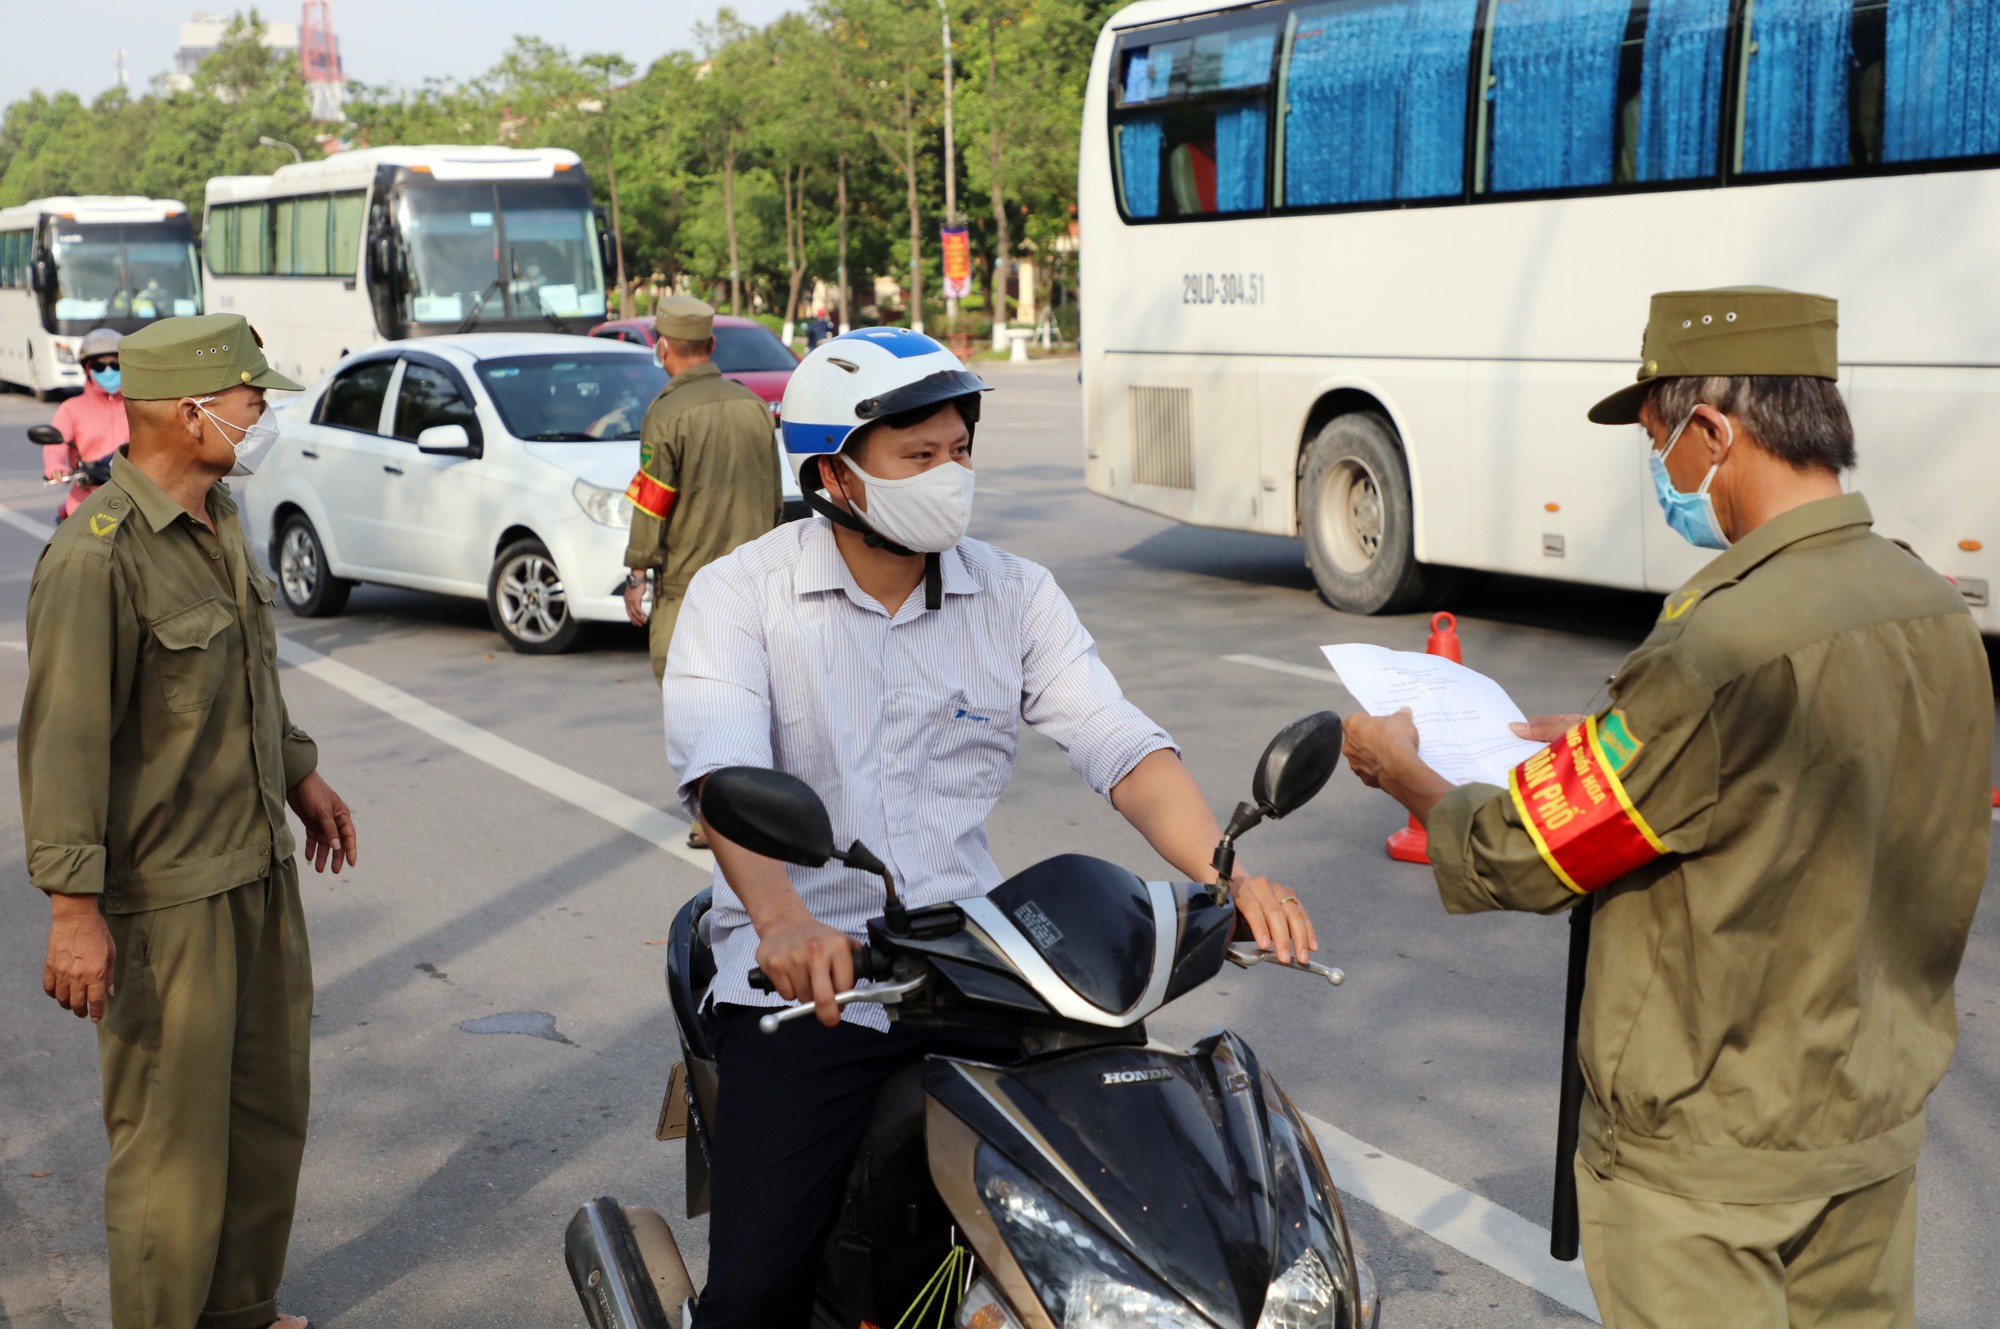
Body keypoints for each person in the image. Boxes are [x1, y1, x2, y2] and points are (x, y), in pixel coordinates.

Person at [1339, 287, 1991, 1329]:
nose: (1661, 475)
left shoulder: (1715, 647)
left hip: (1710, 1161)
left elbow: (1522, 854)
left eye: (1656, 445)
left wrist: (1401, 771)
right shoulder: (1927, 606)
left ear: (1710, 432)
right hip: (1867, 1126)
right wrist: (1601, 739)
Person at [663, 327, 1319, 1328]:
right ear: (833, 475)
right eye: (918, 457)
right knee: (754, 1296)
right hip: (815, 986)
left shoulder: (1014, 594)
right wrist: (784, 920)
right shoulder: (738, 596)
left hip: (980, 968)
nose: (950, 475)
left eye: (959, 449)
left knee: (1137, 1224)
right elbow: (724, 774)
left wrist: (1225, 874)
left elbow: (1117, 743)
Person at [21, 313, 361, 1329]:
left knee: (263, 1114)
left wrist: (301, 776)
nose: (260, 413)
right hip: (165, 899)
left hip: (253, 868)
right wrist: (73, 912)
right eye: (250, 397)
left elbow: (246, 680)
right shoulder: (98, 557)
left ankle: (238, 1311)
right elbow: (65, 741)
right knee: (171, 1148)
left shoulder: (221, 521)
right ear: (186, 412)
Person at [621, 294, 782, 700]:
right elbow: (774, 497)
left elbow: (652, 504)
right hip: (753, 584)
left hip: (687, 585)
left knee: (690, 702)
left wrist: (637, 575)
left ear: (661, 346)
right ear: (711, 346)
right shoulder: (754, 405)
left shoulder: (665, 413)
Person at [45, 327, 125, 520]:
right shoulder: (71, 408)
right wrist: (54, 465)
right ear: (87, 370)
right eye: (99, 366)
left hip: (134, 495)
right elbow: (56, 443)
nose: (108, 371)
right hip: (86, 499)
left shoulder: (139, 405)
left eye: (115, 365)